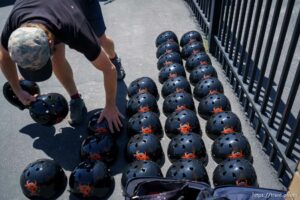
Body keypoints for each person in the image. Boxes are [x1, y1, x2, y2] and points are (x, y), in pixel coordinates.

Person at [0, 0, 126, 132]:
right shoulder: (14, 24)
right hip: (54, 11)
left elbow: (109, 70)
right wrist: (17, 90)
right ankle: (76, 99)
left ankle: (114, 57)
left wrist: (111, 106)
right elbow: (4, 56)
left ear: (50, 42)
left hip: (77, 6)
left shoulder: (76, 29)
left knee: (101, 40)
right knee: (57, 59)